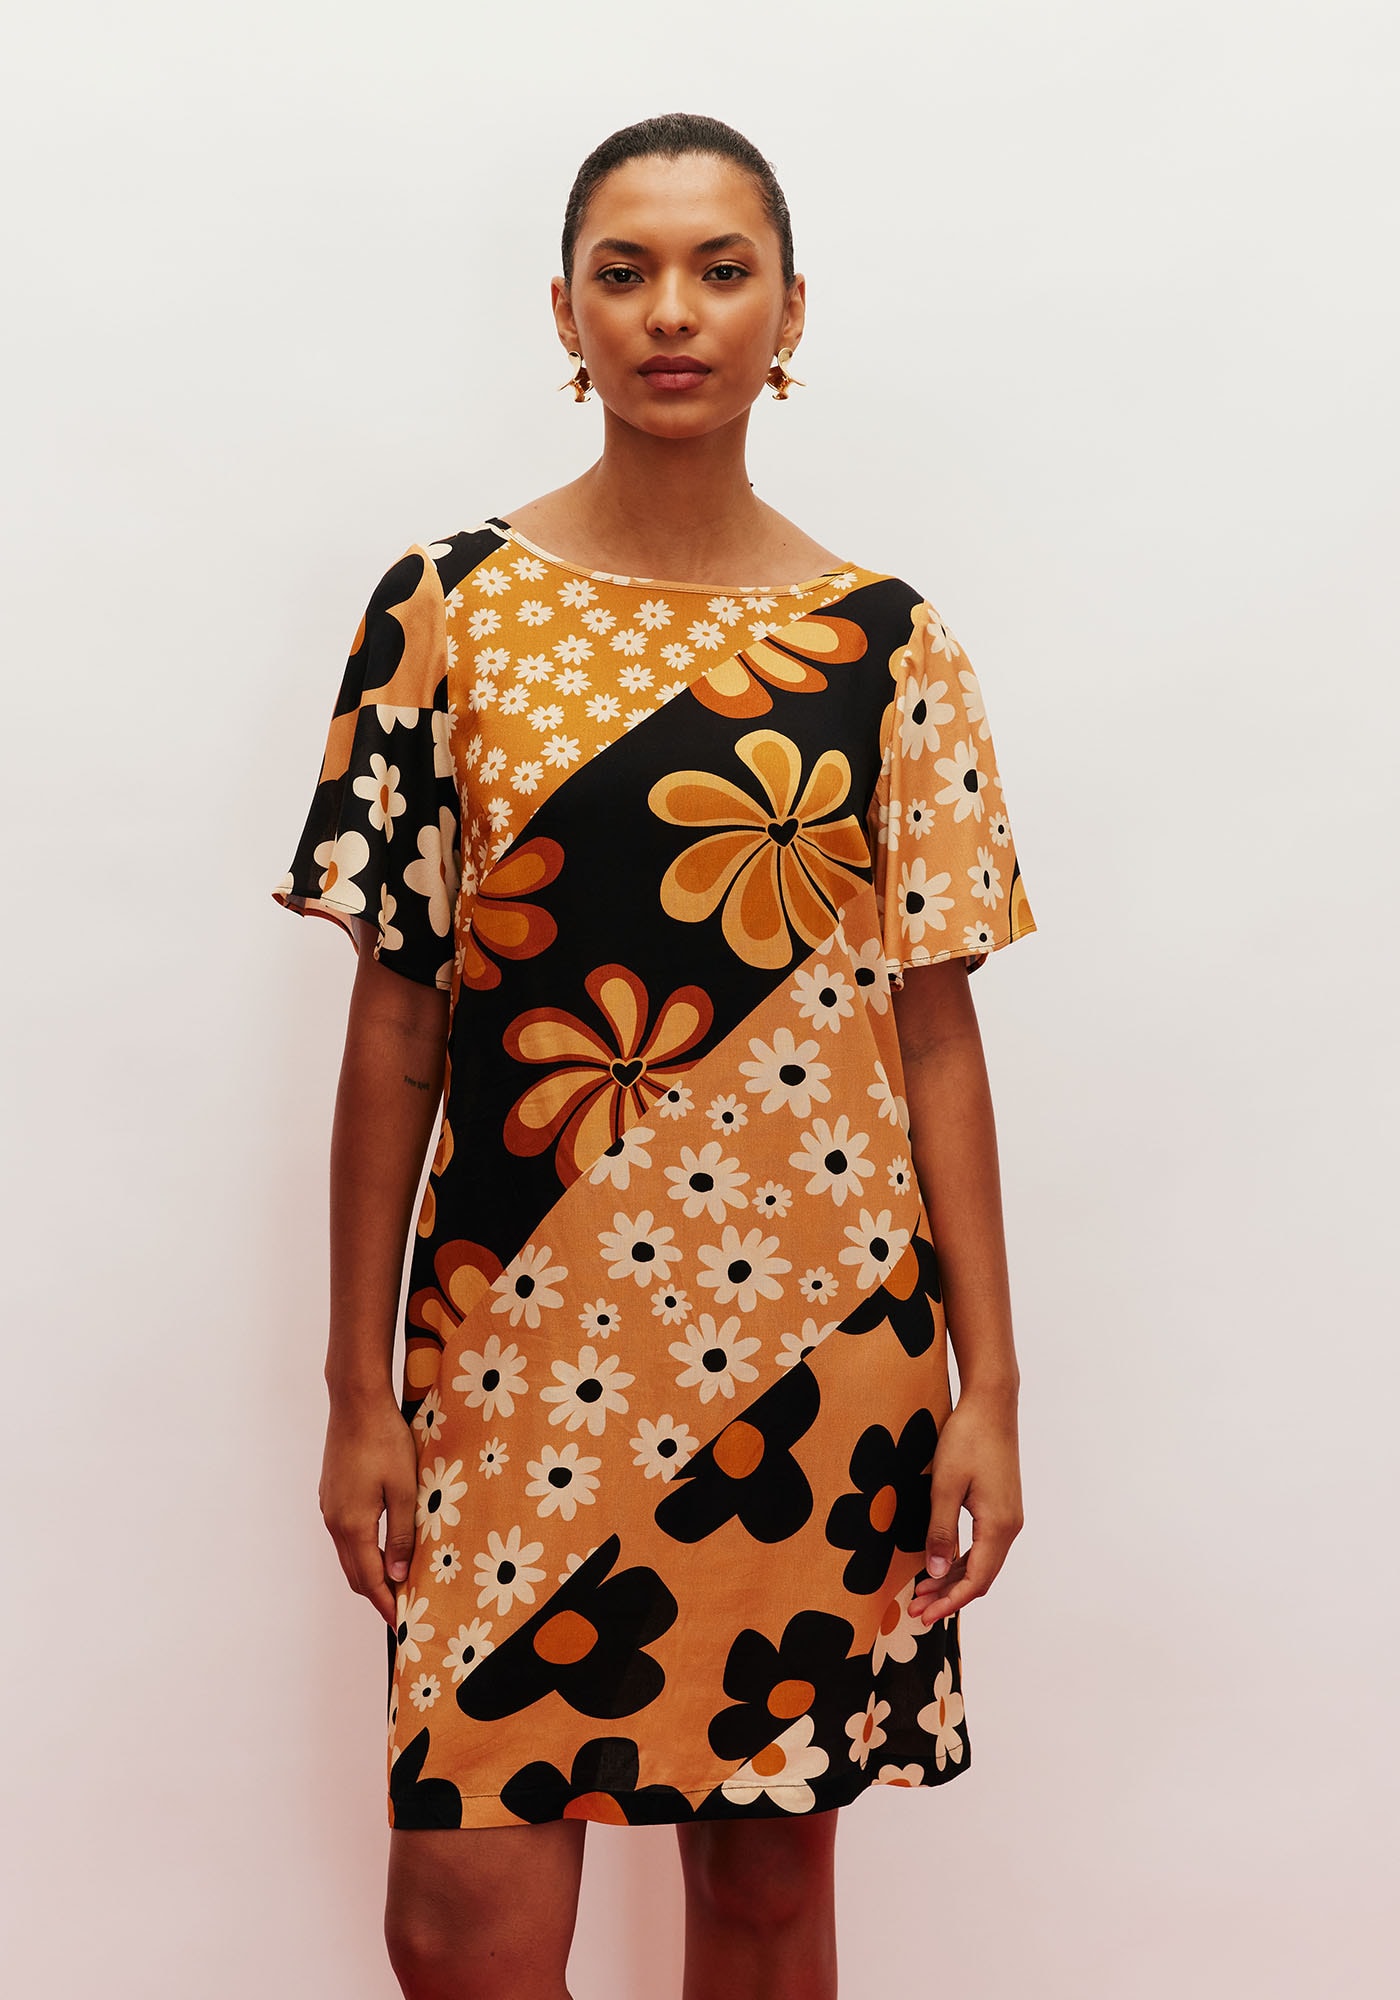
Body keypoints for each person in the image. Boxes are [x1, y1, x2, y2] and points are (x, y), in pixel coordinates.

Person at [273, 110, 1036, 2000]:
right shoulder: (445, 610)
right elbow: (396, 1018)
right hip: (512, 1346)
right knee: (456, 1924)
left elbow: (936, 1038)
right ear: (566, 312)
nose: (672, 312)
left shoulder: (887, 647)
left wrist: (993, 1392)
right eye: (624, 273)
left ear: (792, 313)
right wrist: (357, 1388)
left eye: (720, 270)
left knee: (768, 1896)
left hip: (814, 1355)